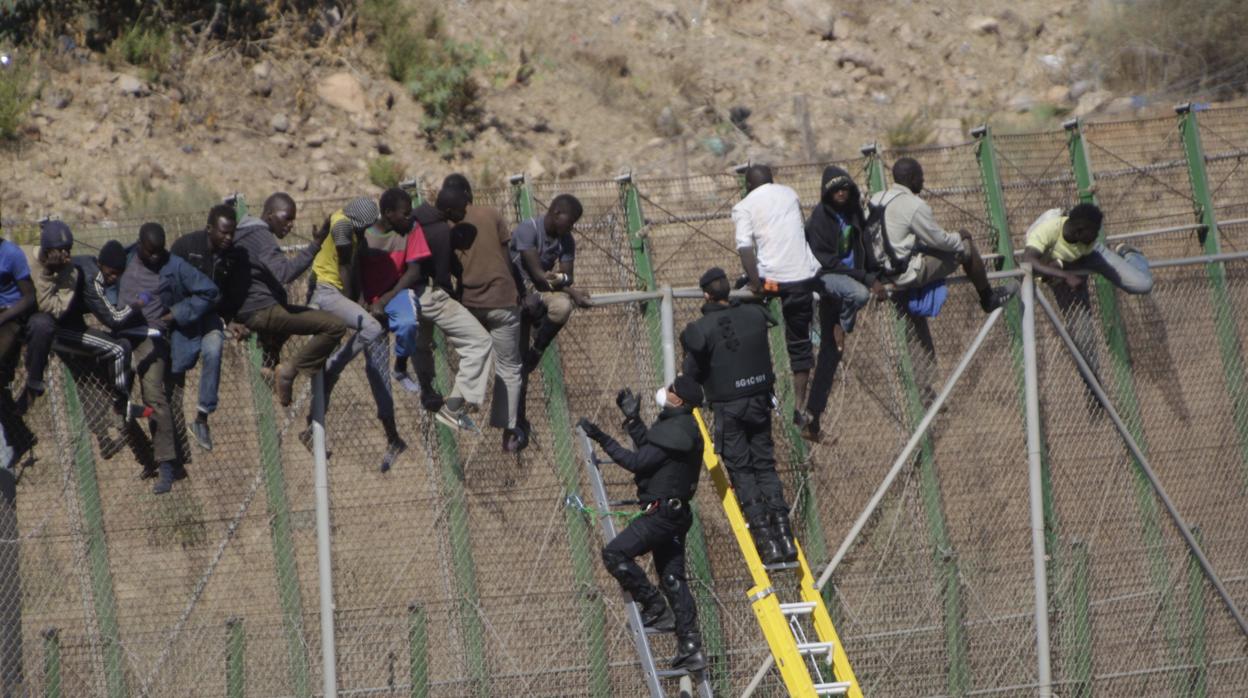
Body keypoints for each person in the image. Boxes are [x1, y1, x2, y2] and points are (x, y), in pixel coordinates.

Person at [577, 375, 708, 673]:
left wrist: (600, 436)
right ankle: (691, 646)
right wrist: (633, 419)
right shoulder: (681, 431)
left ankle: (654, 605)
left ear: (681, 401)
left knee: (614, 554)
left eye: (673, 390)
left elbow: (636, 462)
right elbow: (650, 452)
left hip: (661, 517)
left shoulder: (678, 431)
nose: (667, 391)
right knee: (673, 580)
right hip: (676, 516)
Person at [680, 267, 797, 566]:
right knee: (765, 467)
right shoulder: (754, 315)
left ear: (706, 294)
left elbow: (691, 373)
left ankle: (766, 542)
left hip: (728, 407)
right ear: (728, 290)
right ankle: (785, 536)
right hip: (760, 403)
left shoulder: (701, 329)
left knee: (743, 472)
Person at [304, 195, 409, 467]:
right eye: (364, 228)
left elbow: (355, 270)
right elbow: (345, 267)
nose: (366, 233)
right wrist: (356, 304)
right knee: (333, 362)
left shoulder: (350, 228)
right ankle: (311, 424)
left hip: (350, 301)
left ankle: (392, 436)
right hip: (332, 296)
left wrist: (362, 300)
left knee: (372, 367)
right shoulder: (344, 228)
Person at [119, 223, 219, 494]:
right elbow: (101, 277)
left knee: (154, 396)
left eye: (159, 253)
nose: (155, 258)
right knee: (115, 399)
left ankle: (166, 466)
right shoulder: (123, 259)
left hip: (152, 339)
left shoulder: (174, 266)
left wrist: (176, 313)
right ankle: (145, 456)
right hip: (121, 337)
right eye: (150, 252)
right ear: (139, 245)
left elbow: (209, 291)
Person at [233, 193, 347, 407]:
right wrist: (315, 245)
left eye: (293, 220)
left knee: (287, 313)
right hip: (261, 311)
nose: (290, 225)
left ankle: (269, 363)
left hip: (248, 311)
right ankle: (288, 370)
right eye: (286, 218)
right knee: (335, 326)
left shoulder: (242, 233)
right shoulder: (261, 236)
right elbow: (284, 273)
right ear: (269, 215)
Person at [732, 165, 821, 434]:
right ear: (773, 180)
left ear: (748, 185)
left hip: (772, 283)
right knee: (799, 344)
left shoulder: (744, 206)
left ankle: (754, 379)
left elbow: (745, 247)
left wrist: (756, 283)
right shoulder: (790, 194)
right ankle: (799, 408)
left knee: (739, 296)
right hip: (801, 280)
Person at [441, 174, 526, 452]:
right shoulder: (491, 214)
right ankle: (508, 429)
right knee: (509, 366)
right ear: (468, 193)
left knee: (474, 353)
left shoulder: (445, 224)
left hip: (471, 302)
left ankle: (462, 405)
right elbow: (507, 258)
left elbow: (452, 266)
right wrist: (519, 291)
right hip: (503, 299)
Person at [868, 157, 1017, 313]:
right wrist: (960, 236)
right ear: (912, 178)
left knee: (926, 249)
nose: (923, 180)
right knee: (965, 248)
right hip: (903, 275)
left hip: (880, 273)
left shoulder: (878, 198)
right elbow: (940, 241)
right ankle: (989, 298)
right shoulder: (913, 205)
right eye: (920, 176)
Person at [801, 166, 880, 442]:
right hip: (827, 280)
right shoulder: (819, 220)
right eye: (835, 189)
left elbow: (865, 247)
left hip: (851, 279)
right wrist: (865, 279)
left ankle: (812, 417)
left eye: (845, 188)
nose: (841, 193)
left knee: (831, 356)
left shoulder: (854, 213)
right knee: (859, 295)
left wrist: (874, 273)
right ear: (826, 192)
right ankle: (842, 327)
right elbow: (827, 262)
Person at [409, 186, 494, 432]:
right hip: (429, 294)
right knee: (479, 343)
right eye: (461, 210)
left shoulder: (414, 217)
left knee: (422, 344)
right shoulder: (441, 231)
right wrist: (455, 297)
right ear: (448, 209)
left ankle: (428, 392)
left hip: (407, 295)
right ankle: (454, 407)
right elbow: (443, 278)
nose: (463, 214)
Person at [169, 204, 250, 451]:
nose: (228, 238)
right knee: (178, 365)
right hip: (183, 314)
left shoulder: (234, 257)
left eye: (231, 233)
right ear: (209, 229)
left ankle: (202, 417)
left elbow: (233, 294)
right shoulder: (185, 247)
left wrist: (231, 319)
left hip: (211, 316)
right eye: (223, 233)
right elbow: (169, 285)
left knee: (214, 349)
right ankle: (172, 425)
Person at [510, 194, 592, 374]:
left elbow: (567, 276)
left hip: (540, 290)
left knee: (562, 307)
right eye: (570, 222)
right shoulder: (528, 229)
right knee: (515, 365)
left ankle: (538, 348)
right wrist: (572, 291)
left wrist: (562, 281)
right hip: (515, 291)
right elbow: (539, 275)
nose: (572, 227)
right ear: (556, 213)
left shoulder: (566, 240)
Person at [0, 220, 40, 465]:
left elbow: (29, 297)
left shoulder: (11, 254)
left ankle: (20, 437)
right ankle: (21, 437)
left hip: (13, 317)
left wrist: (4, 316)